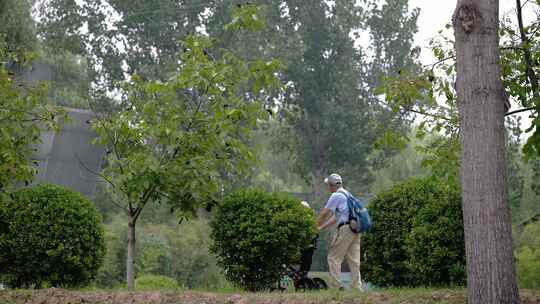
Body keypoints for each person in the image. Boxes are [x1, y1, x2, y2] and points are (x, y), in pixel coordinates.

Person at [317, 173, 362, 291]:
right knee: (354, 260)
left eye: (328, 185)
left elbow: (324, 214)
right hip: (355, 229)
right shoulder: (348, 195)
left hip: (345, 229)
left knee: (333, 257)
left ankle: (336, 287)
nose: (328, 188)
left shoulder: (336, 195)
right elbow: (336, 217)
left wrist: (314, 225)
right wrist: (321, 227)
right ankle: (357, 288)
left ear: (332, 185)